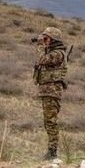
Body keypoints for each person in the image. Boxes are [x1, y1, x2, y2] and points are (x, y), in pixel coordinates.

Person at [32, 27, 68, 160]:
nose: (44, 41)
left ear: (53, 39)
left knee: (51, 121)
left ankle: (52, 151)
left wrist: (40, 46)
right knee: (48, 121)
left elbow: (42, 60)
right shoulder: (51, 52)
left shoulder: (58, 53)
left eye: (46, 39)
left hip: (52, 92)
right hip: (47, 92)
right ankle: (51, 150)